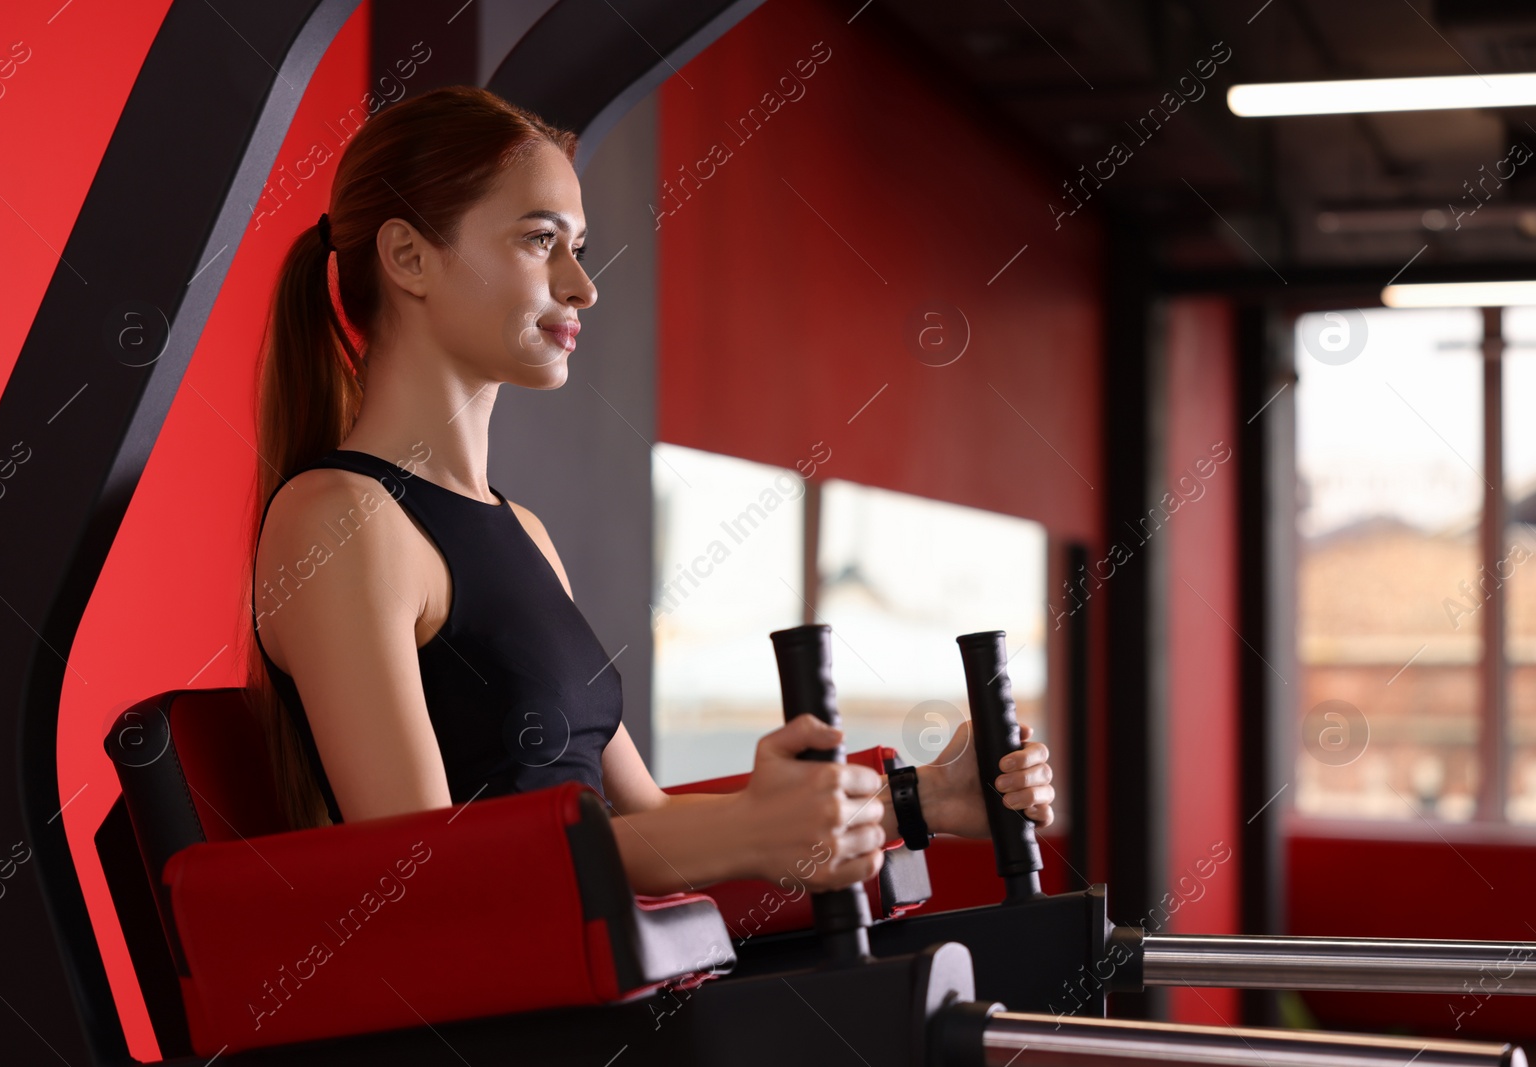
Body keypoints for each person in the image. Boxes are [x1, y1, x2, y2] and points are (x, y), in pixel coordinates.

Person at [247, 85, 1053, 899]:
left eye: (581, 249)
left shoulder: (518, 526)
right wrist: (751, 829)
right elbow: (428, 875)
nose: (581, 287)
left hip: (607, 988)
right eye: (539, 241)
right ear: (410, 258)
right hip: (517, 1017)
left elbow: (640, 819)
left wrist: (922, 799)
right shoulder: (341, 522)